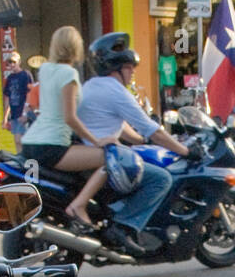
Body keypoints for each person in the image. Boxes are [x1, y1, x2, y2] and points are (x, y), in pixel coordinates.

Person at [67, 38, 199, 248]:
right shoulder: (117, 92)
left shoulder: (92, 85)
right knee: (161, 179)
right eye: (128, 67)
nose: (132, 72)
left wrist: (140, 139)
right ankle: (124, 226)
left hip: (86, 153)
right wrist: (186, 150)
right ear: (115, 69)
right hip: (102, 159)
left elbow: (117, 124)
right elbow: (155, 132)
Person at [19, 26, 122, 223]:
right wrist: (97, 141)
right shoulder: (69, 74)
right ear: (75, 47)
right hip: (53, 144)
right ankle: (79, 205)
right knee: (108, 158)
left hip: (31, 141)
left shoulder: (46, 70)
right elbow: (70, 118)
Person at [2, 52, 32, 152]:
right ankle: (22, 164)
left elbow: (30, 95)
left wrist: (25, 113)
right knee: (17, 142)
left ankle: (28, 163)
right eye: (9, 62)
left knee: (22, 141)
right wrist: (5, 118)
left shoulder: (25, 75)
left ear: (19, 62)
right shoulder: (10, 78)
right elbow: (7, 98)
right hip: (14, 114)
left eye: (13, 62)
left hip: (24, 114)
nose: (11, 64)